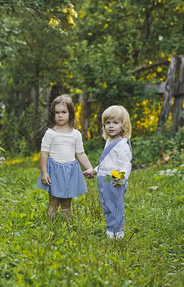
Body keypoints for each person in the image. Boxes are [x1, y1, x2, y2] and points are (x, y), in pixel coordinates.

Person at [37, 94, 96, 218]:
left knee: (67, 203)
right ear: (53, 114)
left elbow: (80, 153)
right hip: (55, 171)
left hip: (70, 171)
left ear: (71, 113)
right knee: (54, 201)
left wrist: (90, 168)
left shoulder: (76, 134)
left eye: (63, 112)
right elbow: (44, 153)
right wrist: (44, 172)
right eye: (57, 112)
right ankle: (49, 226)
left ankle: (68, 227)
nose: (60, 115)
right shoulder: (50, 133)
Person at [95, 105, 132, 239]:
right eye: (107, 123)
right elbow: (107, 163)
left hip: (115, 180)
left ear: (123, 125)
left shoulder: (122, 144)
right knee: (106, 204)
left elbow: (125, 164)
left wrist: (120, 178)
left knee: (115, 206)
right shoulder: (109, 141)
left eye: (115, 123)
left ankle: (117, 233)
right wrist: (95, 171)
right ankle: (111, 229)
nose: (111, 126)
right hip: (104, 179)